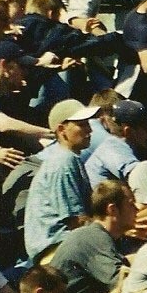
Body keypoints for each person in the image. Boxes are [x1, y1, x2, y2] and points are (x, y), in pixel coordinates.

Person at [24, 99, 98, 263]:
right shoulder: (63, 161)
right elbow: (76, 221)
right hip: (55, 251)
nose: (90, 130)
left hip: (63, 247)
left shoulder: (68, 157)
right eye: (82, 125)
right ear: (61, 129)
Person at [51, 179, 134, 293]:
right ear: (112, 209)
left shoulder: (101, 236)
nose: (137, 209)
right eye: (131, 204)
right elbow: (123, 282)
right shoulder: (93, 237)